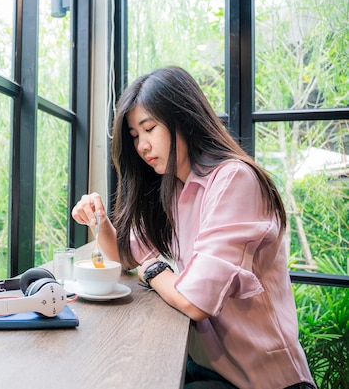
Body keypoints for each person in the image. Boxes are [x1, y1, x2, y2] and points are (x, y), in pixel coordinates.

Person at [71, 66, 315, 389]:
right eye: (135, 137)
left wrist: (154, 269)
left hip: (262, 380)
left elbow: (195, 302)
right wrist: (99, 220)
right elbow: (126, 257)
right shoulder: (174, 189)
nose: (142, 146)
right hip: (207, 367)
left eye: (149, 129)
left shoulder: (234, 180)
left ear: (184, 119)